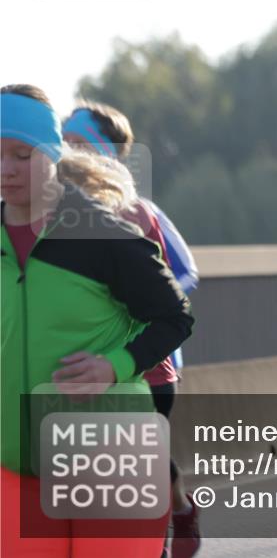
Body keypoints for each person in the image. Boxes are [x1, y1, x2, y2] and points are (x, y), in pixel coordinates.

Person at [1, 84, 194, 557]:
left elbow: (175, 317)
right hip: (14, 468)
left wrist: (115, 365)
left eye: (21, 155)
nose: (5, 169)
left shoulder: (102, 235)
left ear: (51, 154)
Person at [62, 101, 202, 557]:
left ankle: (173, 516)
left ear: (113, 152)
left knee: (146, 466)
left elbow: (184, 276)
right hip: (83, 368)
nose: (70, 152)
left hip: (151, 367)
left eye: (81, 144)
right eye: (64, 142)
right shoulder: (49, 215)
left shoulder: (141, 212)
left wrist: (136, 308)